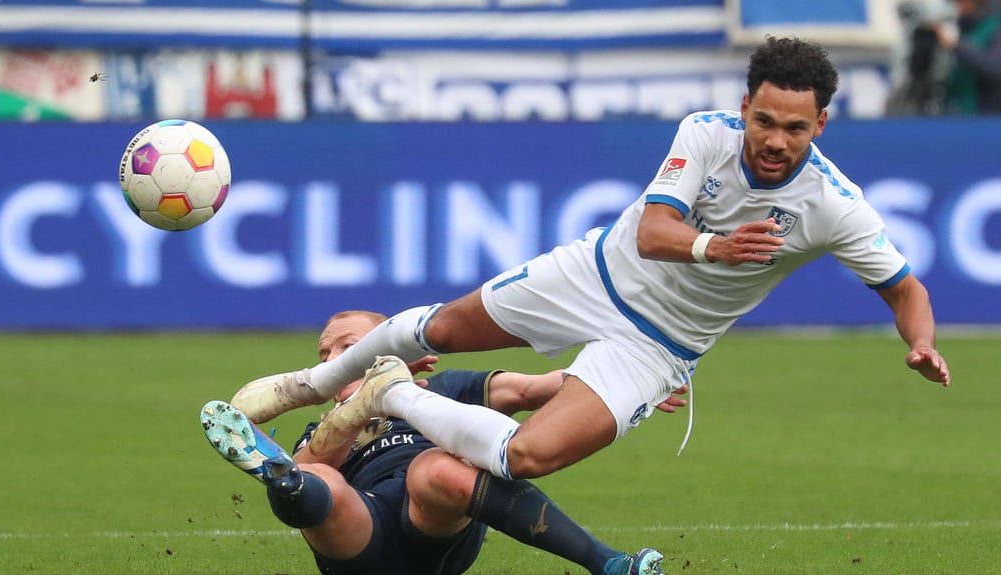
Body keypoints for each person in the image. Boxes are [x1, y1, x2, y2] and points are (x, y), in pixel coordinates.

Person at [231, 36, 951, 484]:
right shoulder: (705, 134)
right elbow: (653, 233)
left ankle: (387, 393)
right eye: (763, 120)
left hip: (659, 346)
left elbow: (905, 287)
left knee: (525, 458)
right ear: (744, 107)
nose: (773, 139)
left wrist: (920, 342)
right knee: (445, 330)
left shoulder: (834, 203)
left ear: (821, 124)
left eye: (794, 128)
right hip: (596, 276)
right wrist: (718, 247)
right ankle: (314, 381)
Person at [204, 310, 682, 575]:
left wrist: (625, 384)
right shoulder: (322, 428)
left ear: (386, 352)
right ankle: (282, 479)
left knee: (433, 468)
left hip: (433, 526)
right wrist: (358, 409)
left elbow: (534, 388)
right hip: (360, 542)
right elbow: (316, 459)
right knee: (315, 475)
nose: (332, 360)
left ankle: (610, 565)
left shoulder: (450, 390)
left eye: (348, 349)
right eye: (325, 354)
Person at [932, 0, 1001, 114]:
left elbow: (996, 68)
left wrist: (957, 45)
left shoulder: (994, 28)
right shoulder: (958, 25)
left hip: (986, 115)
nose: (958, 6)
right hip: (953, 111)